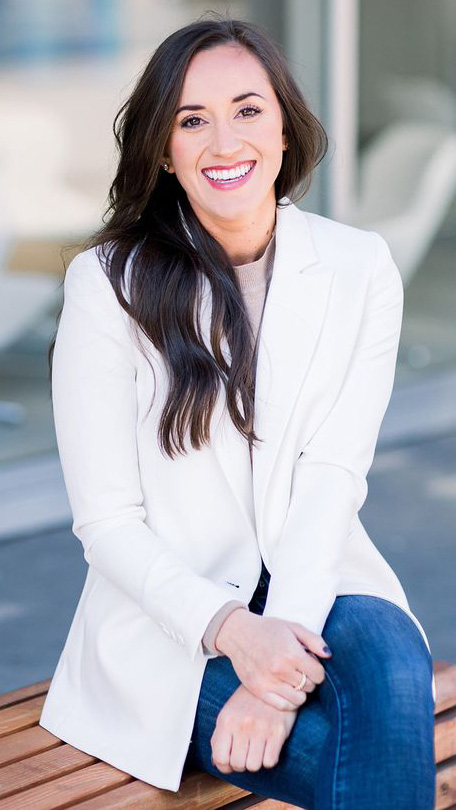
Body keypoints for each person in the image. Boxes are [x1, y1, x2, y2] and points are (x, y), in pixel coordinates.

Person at [39, 15, 436, 809]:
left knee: (395, 669)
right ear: (163, 150)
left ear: (284, 128)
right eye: (192, 120)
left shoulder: (359, 269)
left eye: (248, 110)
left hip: (316, 579)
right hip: (171, 623)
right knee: (335, 754)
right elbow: (107, 525)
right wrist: (234, 632)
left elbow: (332, 476)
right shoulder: (107, 285)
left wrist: (272, 666)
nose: (225, 142)